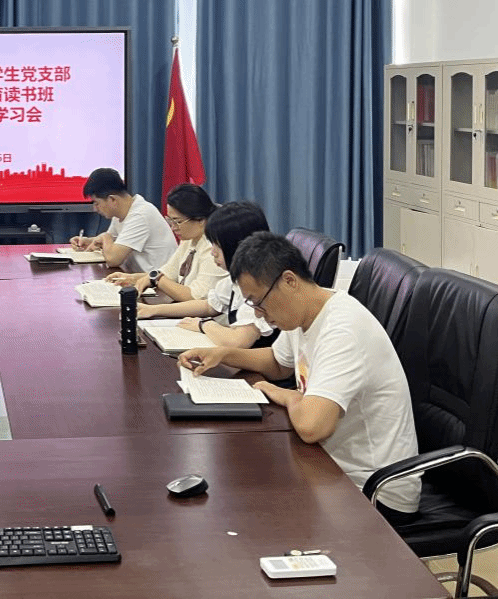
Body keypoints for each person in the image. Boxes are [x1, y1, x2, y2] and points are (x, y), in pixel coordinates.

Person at [178, 233, 420, 519]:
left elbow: (312, 427)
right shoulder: (305, 312)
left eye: (259, 302)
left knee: (246, 510)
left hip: (373, 491)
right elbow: (279, 363)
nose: (260, 315)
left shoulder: (342, 330)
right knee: (237, 490)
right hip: (330, 464)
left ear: (289, 281)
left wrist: (290, 396)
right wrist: (224, 354)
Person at [137, 200, 276, 349]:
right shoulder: (237, 276)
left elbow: (237, 341)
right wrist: (153, 310)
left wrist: (204, 324)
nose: (212, 252)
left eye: (217, 245)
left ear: (238, 245)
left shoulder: (261, 283)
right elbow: (209, 306)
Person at [105, 183, 228, 301]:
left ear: (200, 220)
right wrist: (132, 278)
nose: (173, 227)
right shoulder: (190, 238)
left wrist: (156, 279)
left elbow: (195, 296)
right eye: (170, 221)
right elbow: (168, 273)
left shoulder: (213, 246)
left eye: (177, 221)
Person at [69, 167, 177, 272]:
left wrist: (105, 237)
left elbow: (113, 259)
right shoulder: (122, 213)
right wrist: (89, 241)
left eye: (97, 203)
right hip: (138, 277)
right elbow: (113, 242)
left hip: (157, 281)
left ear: (112, 199)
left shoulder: (140, 215)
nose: (95, 209)